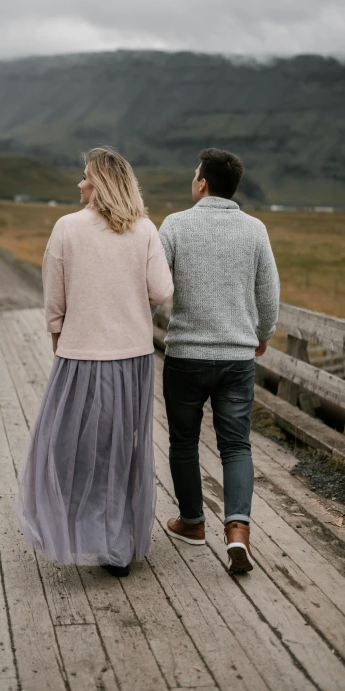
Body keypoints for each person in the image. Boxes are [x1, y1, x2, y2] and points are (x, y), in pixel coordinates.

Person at [16, 147, 174, 577]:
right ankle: (116, 543)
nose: (80, 184)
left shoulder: (67, 228)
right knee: (124, 448)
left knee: (71, 447)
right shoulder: (144, 229)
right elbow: (161, 291)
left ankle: (80, 532)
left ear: (100, 183)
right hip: (133, 359)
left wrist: (58, 343)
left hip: (79, 356)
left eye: (85, 176)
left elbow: (54, 302)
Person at [158, 148, 279, 573]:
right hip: (235, 357)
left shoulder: (174, 225)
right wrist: (261, 335)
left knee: (183, 442)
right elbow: (268, 293)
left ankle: (192, 523)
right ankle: (238, 532)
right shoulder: (255, 229)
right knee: (235, 445)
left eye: (195, 174)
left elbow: (156, 285)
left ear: (203, 183)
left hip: (186, 355)